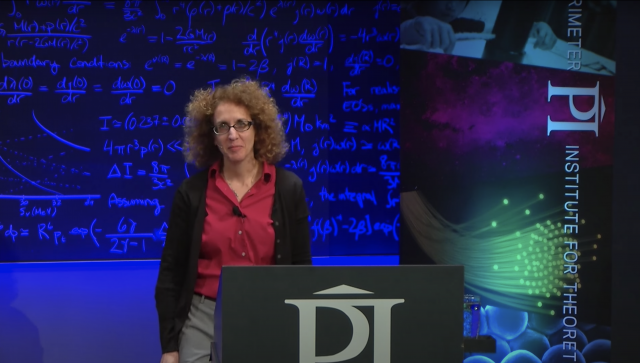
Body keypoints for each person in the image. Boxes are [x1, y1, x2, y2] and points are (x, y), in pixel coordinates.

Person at [155, 77, 312, 363]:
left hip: (272, 312)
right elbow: (170, 275)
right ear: (212, 136)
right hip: (204, 316)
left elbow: (302, 268)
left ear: (257, 128)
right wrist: (169, 347)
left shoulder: (289, 188)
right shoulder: (191, 194)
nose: (232, 134)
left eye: (242, 124)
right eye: (222, 127)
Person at [401, 1, 558, 54]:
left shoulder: (457, 24)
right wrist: (413, 26)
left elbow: (492, 30)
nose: (452, 6)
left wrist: (536, 28)